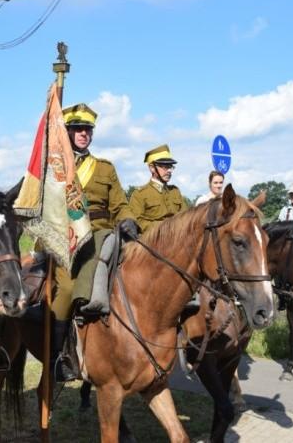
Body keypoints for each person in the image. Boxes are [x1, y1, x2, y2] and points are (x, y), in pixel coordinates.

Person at [51, 103, 138, 381]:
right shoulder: (54, 167)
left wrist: (127, 219)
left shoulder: (104, 169)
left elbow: (120, 205)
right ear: (68, 132)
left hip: (102, 235)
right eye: (78, 129)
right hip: (67, 241)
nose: (84, 134)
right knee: (65, 290)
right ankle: (60, 356)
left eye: (87, 129)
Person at [128, 144, 187, 233]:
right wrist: (165, 227)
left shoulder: (175, 191)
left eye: (170, 167)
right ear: (152, 168)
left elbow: (186, 216)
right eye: (165, 167)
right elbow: (137, 221)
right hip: (152, 242)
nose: (169, 171)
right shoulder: (140, 194)